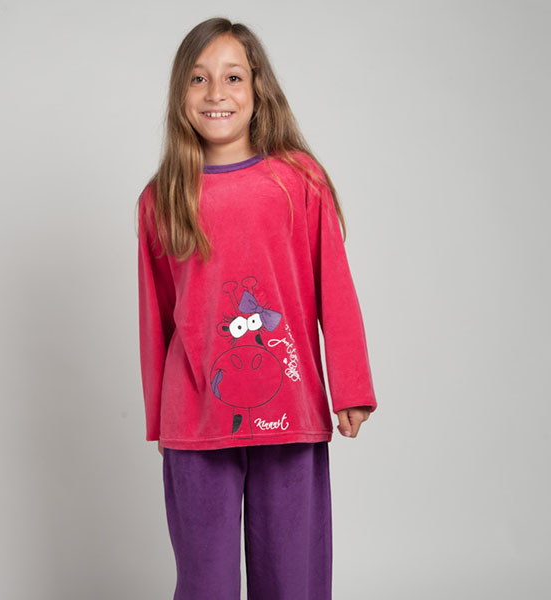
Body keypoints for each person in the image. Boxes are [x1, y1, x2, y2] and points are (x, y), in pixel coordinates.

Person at [136, 17, 378, 600]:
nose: (215, 93)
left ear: (257, 89)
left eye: (233, 77)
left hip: (289, 407)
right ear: (180, 93)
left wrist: (351, 387)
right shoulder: (162, 197)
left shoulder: (299, 180)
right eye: (198, 78)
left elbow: (334, 287)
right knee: (206, 582)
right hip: (195, 416)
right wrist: (160, 418)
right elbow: (156, 316)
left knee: (293, 577)